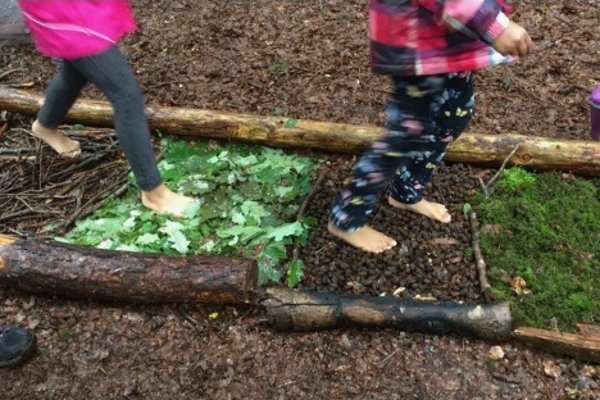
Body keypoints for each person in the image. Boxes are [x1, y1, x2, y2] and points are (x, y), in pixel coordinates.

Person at [328, 0, 533, 253]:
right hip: (417, 44)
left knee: (451, 117)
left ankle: (406, 191)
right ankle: (346, 218)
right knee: (406, 134)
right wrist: (492, 24)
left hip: (446, 41)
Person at [17, 0, 196, 216]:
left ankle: (45, 124)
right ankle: (154, 193)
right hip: (63, 10)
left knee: (75, 69)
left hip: (77, 8)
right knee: (126, 95)